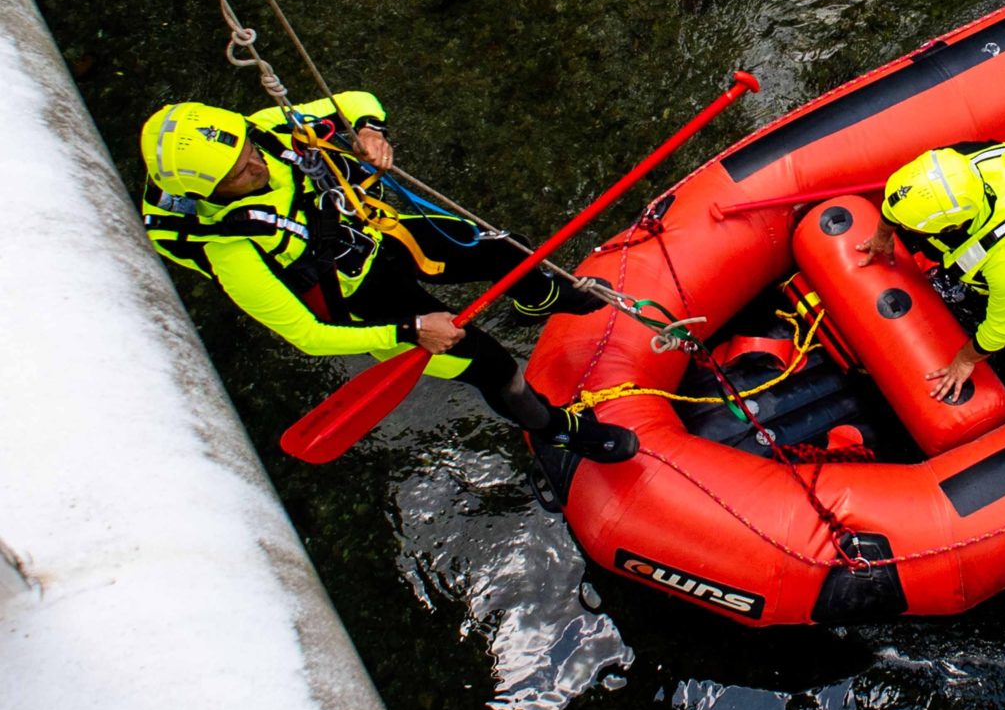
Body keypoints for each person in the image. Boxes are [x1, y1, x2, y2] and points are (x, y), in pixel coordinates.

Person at [138, 91, 638, 461]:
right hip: (366, 300)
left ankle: (538, 298)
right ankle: (555, 430)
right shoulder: (233, 254)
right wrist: (411, 331)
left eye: (248, 149)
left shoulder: (265, 130)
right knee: (495, 366)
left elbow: (356, 99)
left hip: (381, 234)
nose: (256, 164)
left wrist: (369, 131)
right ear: (208, 193)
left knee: (506, 250)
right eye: (238, 172)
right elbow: (308, 335)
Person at [859, 138, 1005, 401]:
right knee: (930, 246)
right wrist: (882, 235)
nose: (904, 226)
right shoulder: (948, 164)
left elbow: (1000, 331)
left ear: (954, 226)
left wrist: (965, 359)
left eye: (910, 224)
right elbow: (898, 202)